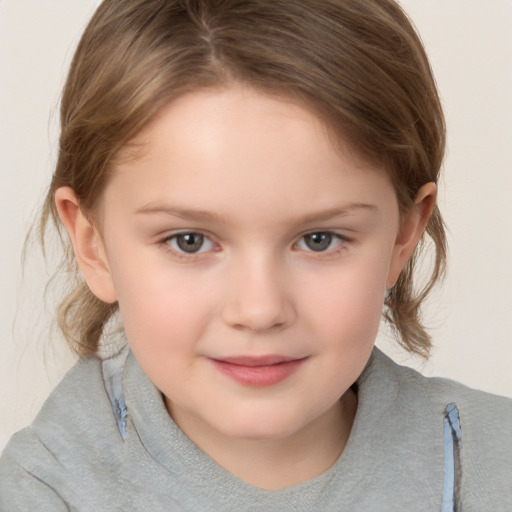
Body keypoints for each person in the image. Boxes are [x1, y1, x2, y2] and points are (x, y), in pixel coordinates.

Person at [0, 0, 510, 510]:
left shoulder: (494, 465)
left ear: (404, 235)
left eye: (319, 239)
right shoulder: (40, 493)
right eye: (189, 241)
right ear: (94, 245)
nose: (260, 309)